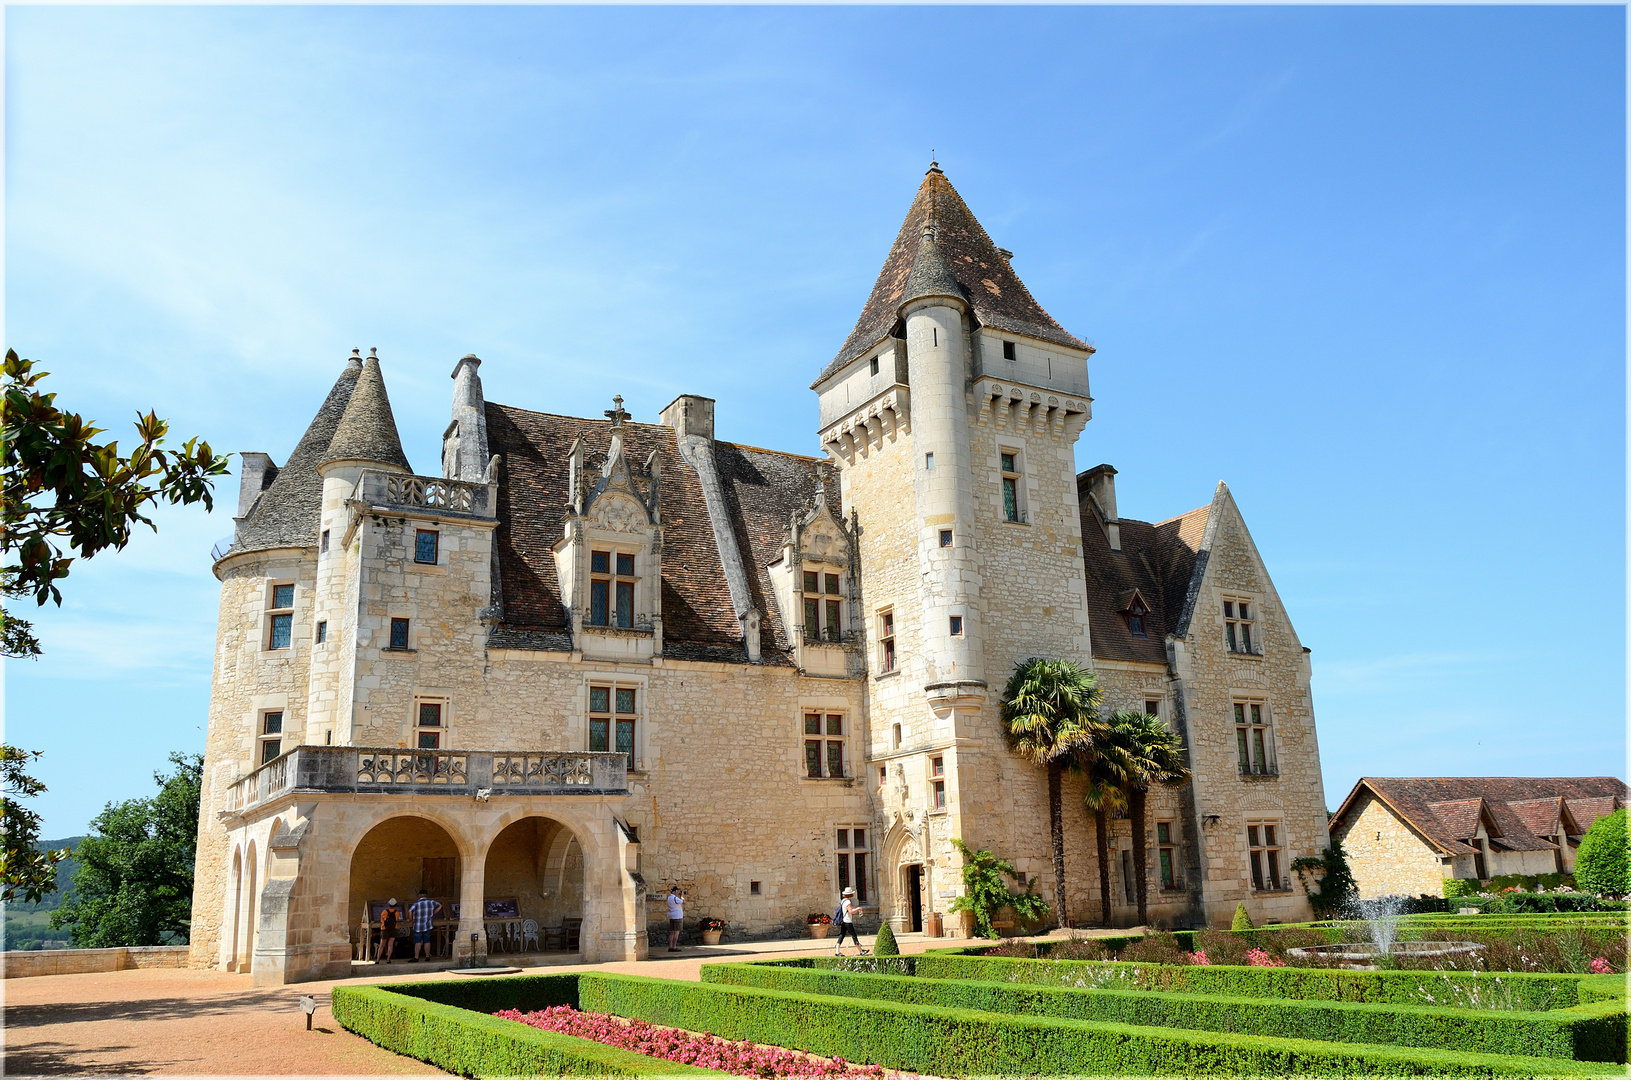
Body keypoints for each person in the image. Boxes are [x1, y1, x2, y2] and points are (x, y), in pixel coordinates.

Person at [409, 889, 443, 962]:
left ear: (420, 895)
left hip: (417, 925)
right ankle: (427, 956)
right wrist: (433, 913)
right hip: (428, 924)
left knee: (417, 941)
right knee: (427, 941)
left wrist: (411, 920)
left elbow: (410, 911)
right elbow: (440, 906)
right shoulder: (431, 902)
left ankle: (416, 957)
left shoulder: (416, 904)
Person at [834, 886, 866, 956]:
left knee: (842, 935)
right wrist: (858, 909)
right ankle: (861, 951)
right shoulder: (848, 902)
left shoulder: (843, 901)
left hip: (843, 921)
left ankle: (837, 951)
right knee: (854, 935)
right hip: (847, 921)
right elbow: (851, 911)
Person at [378, 898, 401, 963]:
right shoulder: (397, 912)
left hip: (385, 929)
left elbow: (381, 920)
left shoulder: (384, 912)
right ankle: (388, 959)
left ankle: (377, 959)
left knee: (382, 945)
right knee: (390, 944)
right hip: (394, 929)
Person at [666, 886, 686, 952]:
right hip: (677, 916)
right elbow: (683, 902)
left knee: (672, 932)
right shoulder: (675, 898)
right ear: (675, 892)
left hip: (671, 915)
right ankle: (674, 946)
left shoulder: (669, 898)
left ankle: (670, 946)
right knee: (676, 932)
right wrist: (682, 896)